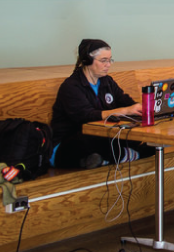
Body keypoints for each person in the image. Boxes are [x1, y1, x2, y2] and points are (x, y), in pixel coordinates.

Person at [50, 39, 155, 169]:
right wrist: (125, 111)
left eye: (110, 60)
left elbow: (125, 101)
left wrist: (143, 108)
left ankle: (102, 159)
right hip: (68, 144)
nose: (108, 65)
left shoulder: (107, 81)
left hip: (99, 138)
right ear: (87, 61)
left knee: (125, 134)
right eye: (103, 60)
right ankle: (130, 155)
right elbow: (87, 116)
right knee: (93, 138)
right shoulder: (71, 87)